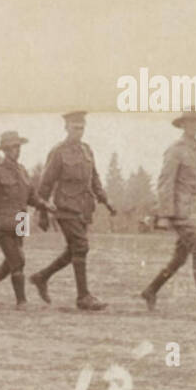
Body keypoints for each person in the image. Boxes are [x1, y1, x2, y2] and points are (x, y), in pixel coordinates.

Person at [142, 110, 196, 317]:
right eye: (189, 123)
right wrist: (165, 215)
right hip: (181, 213)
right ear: (182, 125)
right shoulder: (175, 150)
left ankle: (151, 290)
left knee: (179, 258)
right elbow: (165, 182)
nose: (193, 126)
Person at [28, 111, 115, 310]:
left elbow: (95, 179)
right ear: (66, 127)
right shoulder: (58, 152)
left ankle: (41, 277)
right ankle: (83, 296)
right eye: (75, 127)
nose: (79, 131)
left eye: (82, 127)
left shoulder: (87, 151)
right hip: (65, 207)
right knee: (81, 246)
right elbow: (46, 183)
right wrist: (42, 211)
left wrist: (105, 200)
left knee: (74, 250)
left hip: (84, 208)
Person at [0, 131, 55, 308]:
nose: (16, 150)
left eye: (18, 147)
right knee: (18, 261)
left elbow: (31, 196)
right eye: (13, 147)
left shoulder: (22, 171)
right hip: (3, 223)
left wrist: (45, 205)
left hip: (21, 220)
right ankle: (21, 301)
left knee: (12, 261)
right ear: (5, 150)